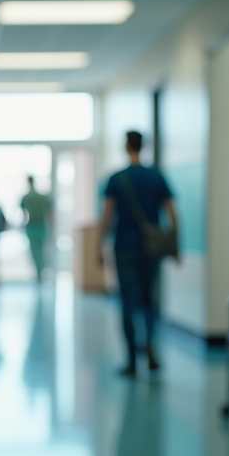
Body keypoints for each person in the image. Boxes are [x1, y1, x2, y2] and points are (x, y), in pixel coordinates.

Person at [98, 131, 179, 377]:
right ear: (143, 147)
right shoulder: (157, 176)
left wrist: (98, 247)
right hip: (151, 249)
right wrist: (175, 247)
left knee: (127, 302)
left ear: (126, 147)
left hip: (124, 248)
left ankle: (132, 360)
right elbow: (173, 215)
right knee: (148, 300)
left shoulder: (116, 179)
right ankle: (150, 344)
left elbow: (108, 217)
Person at [20, 176, 52, 281]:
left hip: (32, 227)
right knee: (42, 252)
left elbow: (24, 215)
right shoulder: (43, 197)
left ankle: (39, 275)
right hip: (42, 227)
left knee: (35, 252)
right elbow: (50, 214)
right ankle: (41, 273)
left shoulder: (26, 197)